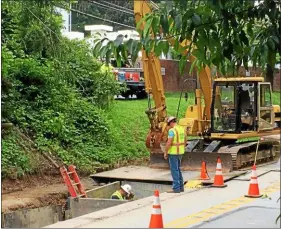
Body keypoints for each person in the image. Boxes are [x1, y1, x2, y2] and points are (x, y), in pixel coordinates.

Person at [164, 116, 187, 193]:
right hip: (180, 152)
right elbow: (185, 140)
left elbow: (169, 142)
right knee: (178, 169)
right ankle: (181, 187)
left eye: (168, 124)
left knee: (174, 170)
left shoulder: (172, 131)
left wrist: (166, 152)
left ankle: (176, 188)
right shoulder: (181, 129)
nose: (168, 126)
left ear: (171, 122)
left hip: (173, 152)